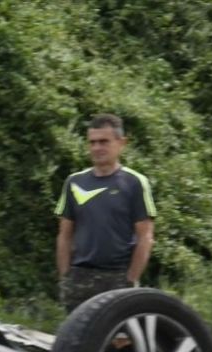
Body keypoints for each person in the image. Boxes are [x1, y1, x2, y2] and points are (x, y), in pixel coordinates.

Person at [54, 114, 156, 314]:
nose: (97, 148)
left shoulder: (135, 183)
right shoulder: (74, 182)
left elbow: (146, 237)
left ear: (121, 143)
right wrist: (65, 277)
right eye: (92, 142)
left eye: (103, 142)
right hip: (79, 278)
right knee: (78, 342)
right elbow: (64, 235)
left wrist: (130, 280)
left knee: (120, 342)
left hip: (117, 278)